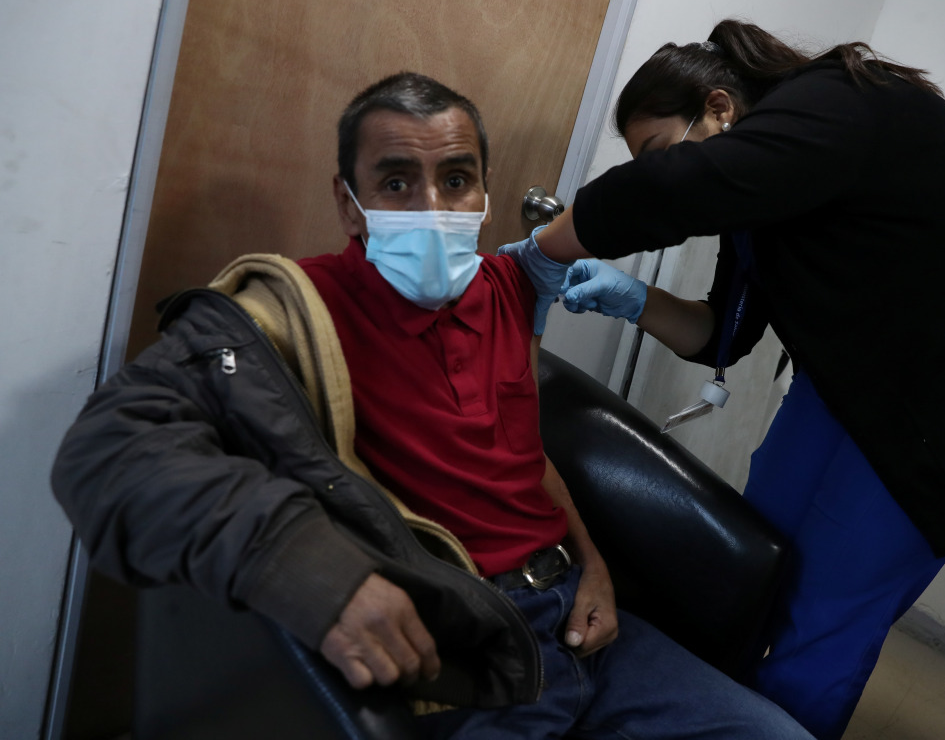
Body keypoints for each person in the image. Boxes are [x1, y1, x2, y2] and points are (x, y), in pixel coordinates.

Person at [51, 71, 811, 739]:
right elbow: (110, 451)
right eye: (395, 183)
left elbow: (527, 455)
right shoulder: (287, 314)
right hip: (470, 648)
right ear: (349, 205)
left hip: (587, 625)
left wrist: (593, 566)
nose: (431, 205)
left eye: (455, 179)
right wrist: (309, 572)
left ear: (484, 193)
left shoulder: (506, 288)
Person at [499, 19, 945, 740]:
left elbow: (673, 188)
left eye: (659, 148)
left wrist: (541, 252)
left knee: (822, 621)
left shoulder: (838, 101)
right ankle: (720, 715)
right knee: (751, 565)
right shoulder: (766, 196)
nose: (660, 169)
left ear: (719, 109)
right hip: (857, 379)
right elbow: (723, 333)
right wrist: (634, 298)